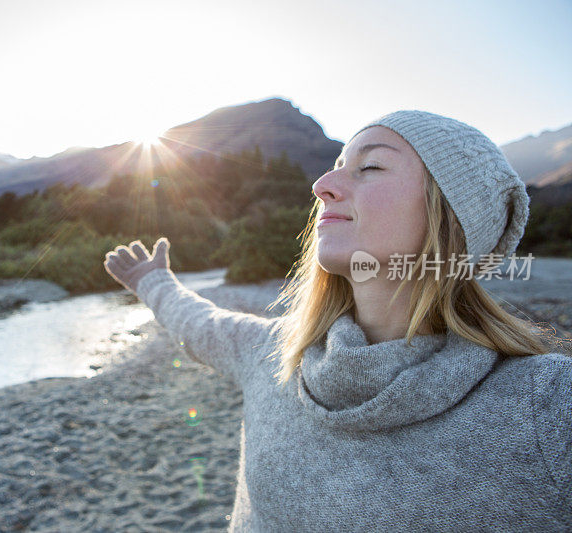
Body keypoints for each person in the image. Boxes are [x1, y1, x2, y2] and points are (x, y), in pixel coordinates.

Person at [103, 110, 572, 531]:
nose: (322, 185)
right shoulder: (275, 354)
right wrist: (154, 282)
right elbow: (200, 323)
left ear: (450, 219)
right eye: (338, 165)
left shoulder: (545, 404)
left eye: (370, 167)